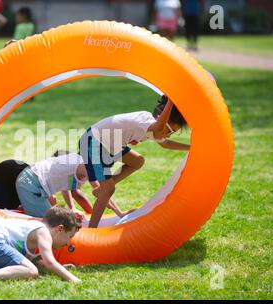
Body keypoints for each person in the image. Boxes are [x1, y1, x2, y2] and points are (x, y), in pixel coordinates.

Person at [79, 95, 190, 228]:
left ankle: (101, 190)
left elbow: (166, 144)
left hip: (111, 145)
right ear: (161, 119)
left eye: (172, 133)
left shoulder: (153, 129)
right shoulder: (146, 121)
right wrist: (172, 99)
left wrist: (192, 147)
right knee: (108, 189)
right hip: (93, 142)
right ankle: (92, 229)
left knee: (137, 161)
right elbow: (160, 126)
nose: (168, 135)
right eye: (170, 131)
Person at [0, 205, 82, 285]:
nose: (67, 243)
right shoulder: (43, 231)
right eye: (69, 237)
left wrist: (61, 268)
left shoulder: (31, 229)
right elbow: (50, 263)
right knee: (31, 271)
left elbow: (35, 262)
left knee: (22, 267)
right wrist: (74, 280)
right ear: (59, 229)